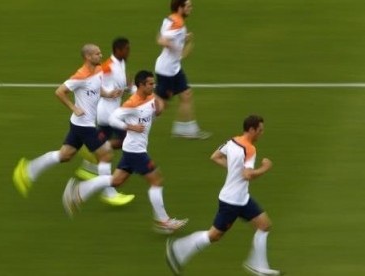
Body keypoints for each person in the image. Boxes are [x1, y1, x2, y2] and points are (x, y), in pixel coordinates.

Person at [62, 70, 188, 234]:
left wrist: (158, 109)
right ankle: (163, 221)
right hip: (136, 151)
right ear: (141, 85)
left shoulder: (148, 97)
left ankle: (79, 192)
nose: (153, 86)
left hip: (133, 149)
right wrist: (130, 127)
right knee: (156, 181)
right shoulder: (132, 103)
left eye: (153, 83)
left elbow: (155, 109)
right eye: (150, 84)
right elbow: (113, 118)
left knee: (116, 181)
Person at [165, 115, 281, 275]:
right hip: (232, 202)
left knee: (264, 225)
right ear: (252, 129)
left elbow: (215, 156)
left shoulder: (232, 141)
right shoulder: (250, 149)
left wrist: (234, 169)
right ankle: (178, 249)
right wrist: (265, 168)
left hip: (242, 198)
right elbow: (248, 175)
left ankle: (258, 265)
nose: (262, 133)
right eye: (260, 130)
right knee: (214, 235)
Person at [12, 44, 122, 198]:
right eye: (97, 54)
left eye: (100, 53)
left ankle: (28, 169)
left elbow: (97, 88)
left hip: (79, 124)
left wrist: (108, 94)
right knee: (105, 156)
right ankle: (109, 193)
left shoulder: (98, 70)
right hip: (84, 125)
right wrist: (74, 108)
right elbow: (59, 92)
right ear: (88, 57)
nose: (101, 55)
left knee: (65, 155)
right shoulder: (80, 76)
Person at [75, 37, 136, 206]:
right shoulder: (108, 65)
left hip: (110, 112)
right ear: (118, 50)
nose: (128, 52)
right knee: (123, 142)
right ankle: (108, 192)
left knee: (106, 145)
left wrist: (129, 87)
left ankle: (88, 166)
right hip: (108, 114)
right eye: (126, 49)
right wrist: (108, 92)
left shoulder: (121, 62)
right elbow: (95, 78)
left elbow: (119, 83)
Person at [154, 0, 210, 139]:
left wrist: (182, 38)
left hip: (174, 68)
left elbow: (165, 34)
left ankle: (185, 130)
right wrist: (173, 46)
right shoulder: (178, 24)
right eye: (188, 6)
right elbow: (161, 40)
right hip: (167, 71)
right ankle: (134, 114)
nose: (191, 8)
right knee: (160, 105)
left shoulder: (170, 19)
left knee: (186, 94)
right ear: (180, 8)